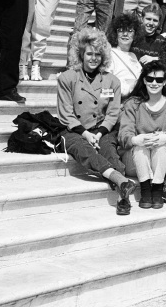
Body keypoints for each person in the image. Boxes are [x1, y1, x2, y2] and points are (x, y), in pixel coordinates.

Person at [57, 28, 136, 215]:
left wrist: (99, 133)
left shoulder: (112, 81)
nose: (93, 58)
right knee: (84, 150)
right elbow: (65, 113)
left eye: (98, 55)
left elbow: (113, 112)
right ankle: (121, 181)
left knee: (110, 151)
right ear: (81, 54)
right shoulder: (67, 77)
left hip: (103, 129)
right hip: (74, 130)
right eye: (89, 54)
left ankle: (121, 195)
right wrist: (85, 133)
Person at [118, 60, 166, 209]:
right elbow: (124, 134)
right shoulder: (132, 103)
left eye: (159, 80)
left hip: (160, 158)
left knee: (162, 146)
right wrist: (137, 139)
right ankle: (146, 190)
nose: (154, 83)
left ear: (165, 81)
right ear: (144, 81)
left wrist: (164, 137)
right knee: (140, 147)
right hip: (134, 160)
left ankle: (157, 189)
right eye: (150, 79)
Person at [105, 13, 143, 98]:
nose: (125, 34)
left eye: (130, 31)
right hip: (117, 104)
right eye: (121, 30)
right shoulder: (110, 54)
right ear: (115, 33)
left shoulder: (133, 55)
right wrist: (130, 86)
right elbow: (105, 89)